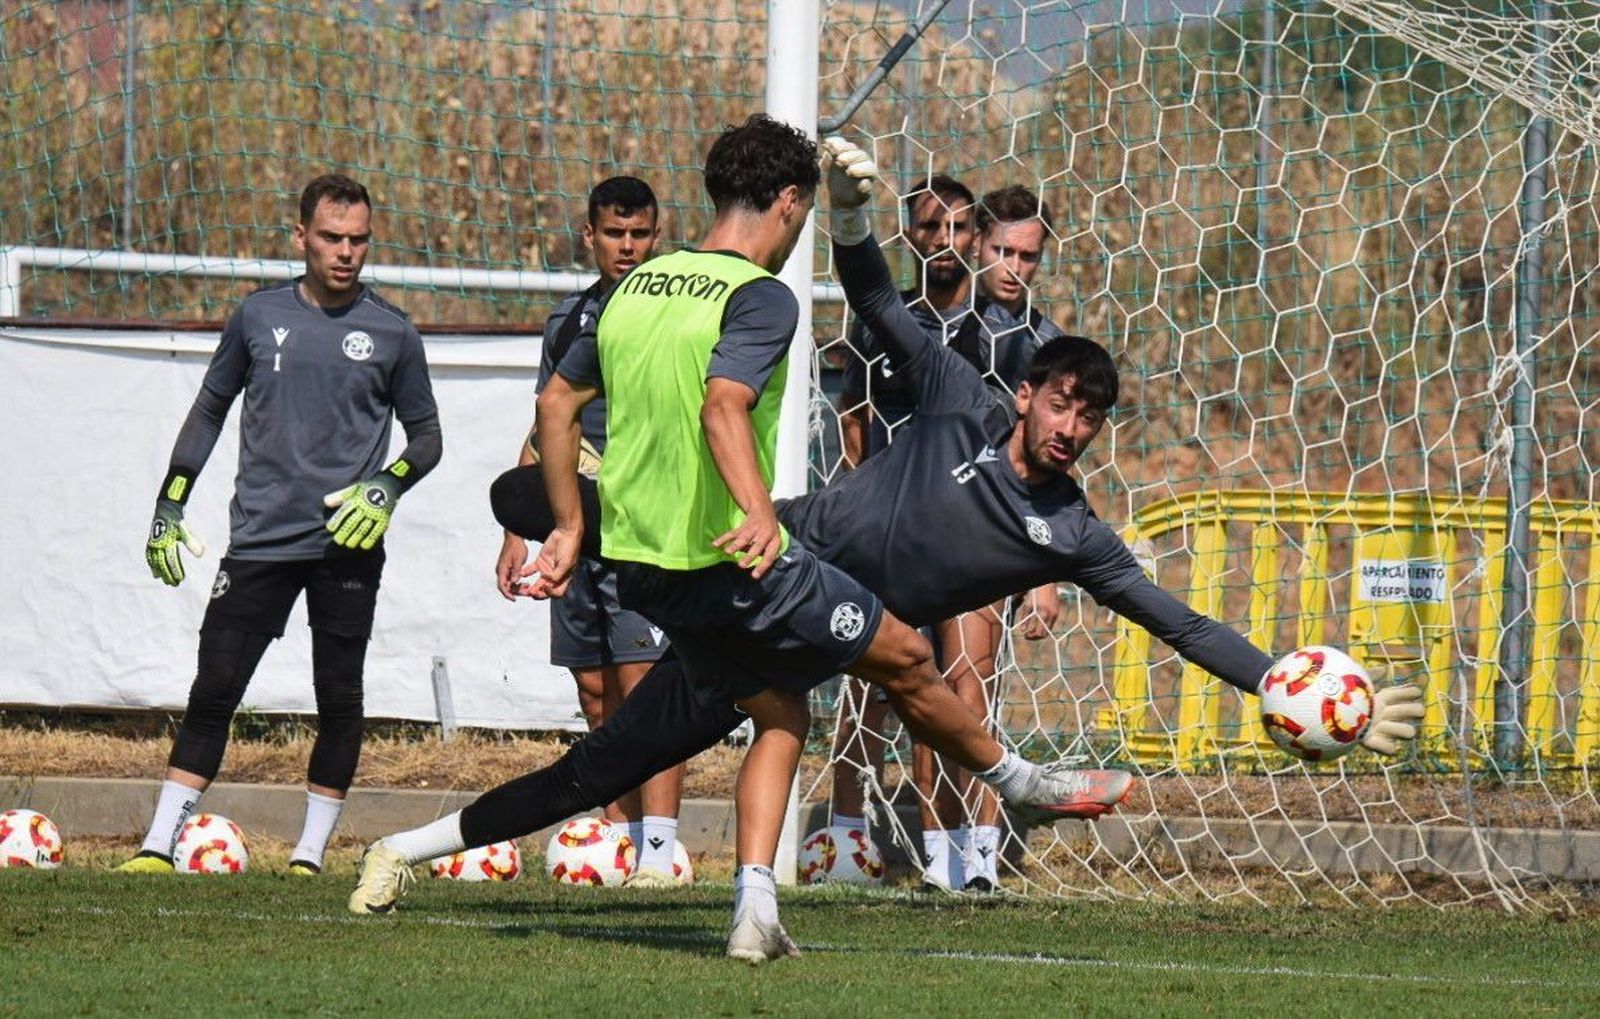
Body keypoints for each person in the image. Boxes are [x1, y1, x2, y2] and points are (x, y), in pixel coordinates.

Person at [348, 119, 1130, 963]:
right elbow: (724, 405)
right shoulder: (759, 295)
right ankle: (1022, 781)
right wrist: (761, 512)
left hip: (648, 572)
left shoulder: (637, 285)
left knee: (740, 720)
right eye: (802, 216)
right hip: (730, 561)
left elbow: (554, 409)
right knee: (902, 652)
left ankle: (409, 853)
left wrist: (572, 527)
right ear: (790, 205)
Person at [118, 174, 442, 876]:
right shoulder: (257, 317)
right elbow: (209, 410)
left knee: (340, 694)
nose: (346, 252)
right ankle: (156, 844)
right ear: (300, 237)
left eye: (358, 240)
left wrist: (387, 486)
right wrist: (171, 501)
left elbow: (427, 439)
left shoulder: (393, 332)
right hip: (261, 537)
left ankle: (308, 854)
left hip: (346, 548)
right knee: (215, 687)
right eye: (331, 237)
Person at [828, 179, 1070, 892]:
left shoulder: (1010, 336)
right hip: (892, 532)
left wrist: (1044, 570)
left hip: (974, 532)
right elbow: (854, 414)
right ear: (910, 235)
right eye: (932, 228)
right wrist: (867, 495)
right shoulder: (890, 321)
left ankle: (980, 852)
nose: (946, 241)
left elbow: (1032, 459)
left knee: (973, 681)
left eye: (961, 230)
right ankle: (907, 845)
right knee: (889, 684)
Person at [492, 176, 685, 885]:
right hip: (574, 530)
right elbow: (548, 422)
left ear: (657, 238)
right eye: (614, 233)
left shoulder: (673, 318)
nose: (627, 246)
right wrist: (519, 526)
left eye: (639, 235)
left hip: (644, 531)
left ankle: (661, 851)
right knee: (595, 691)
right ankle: (617, 837)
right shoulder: (566, 321)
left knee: (646, 689)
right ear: (590, 237)